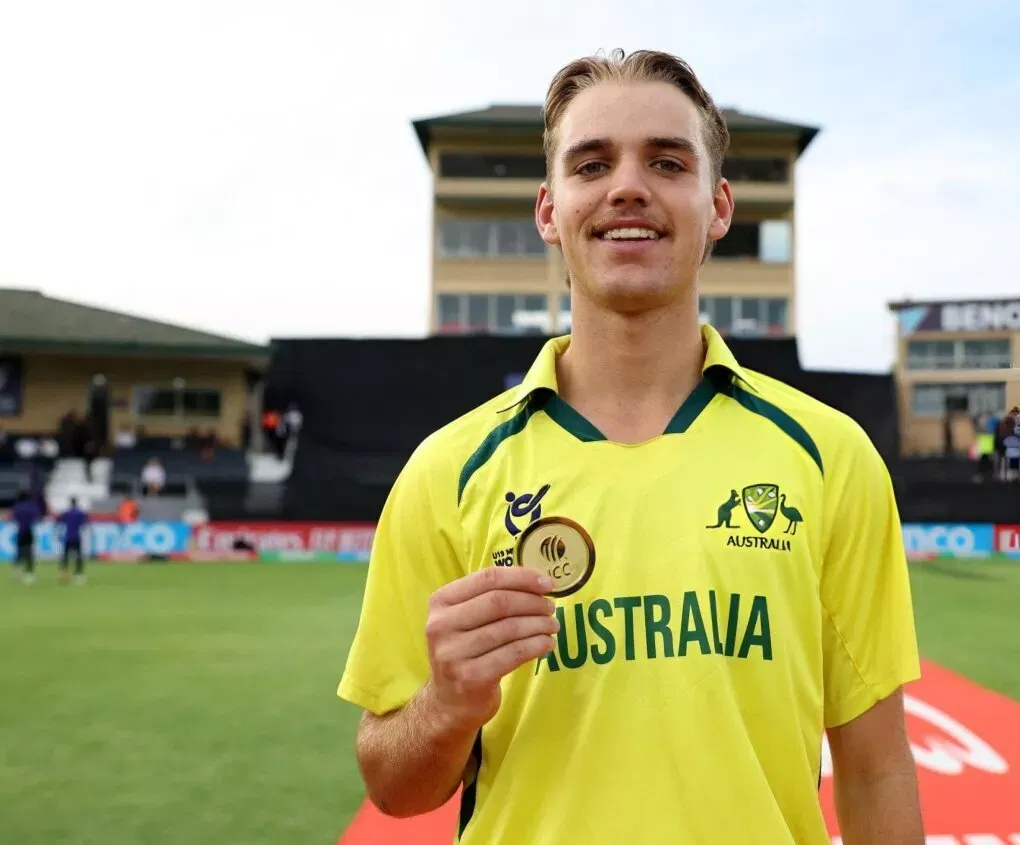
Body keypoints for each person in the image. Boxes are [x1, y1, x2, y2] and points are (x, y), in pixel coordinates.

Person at [337, 49, 924, 844]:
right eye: (591, 163)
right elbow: (392, 784)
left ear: (718, 206)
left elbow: (876, 766)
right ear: (550, 210)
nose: (627, 186)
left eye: (666, 161)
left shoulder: (828, 455)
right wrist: (445, 706)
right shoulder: (449, 470)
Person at [11, 490, 42, 584]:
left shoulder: (17, 506)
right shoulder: (32, 506)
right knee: (29, 552)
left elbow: (14, 517)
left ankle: (17, 571)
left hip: (20, 531)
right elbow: (37, 518)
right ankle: (29, 573)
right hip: (29, 531)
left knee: (19, 551)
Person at [56, 497, 90, 585]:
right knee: (78, 556)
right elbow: (86, 522)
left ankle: (64, 573)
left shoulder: (67, 513)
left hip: (68, 537)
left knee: (65, 556)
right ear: (76, 503)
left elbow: (58, 521)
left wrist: (59, 534)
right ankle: (79, 574)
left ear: (70, 503)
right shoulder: (80, 513)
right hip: (77, 537)